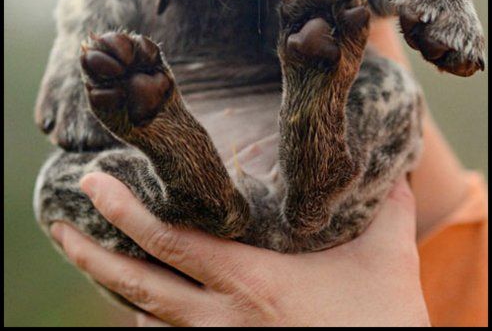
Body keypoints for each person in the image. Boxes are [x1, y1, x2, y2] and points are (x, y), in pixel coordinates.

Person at [50, 18, 488, 327]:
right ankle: (234, 177)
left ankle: (205, 183)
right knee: (382, 100)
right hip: (314, 197)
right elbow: (453, 235)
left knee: (63, 187)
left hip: (229, 209)